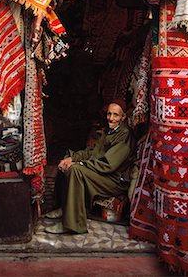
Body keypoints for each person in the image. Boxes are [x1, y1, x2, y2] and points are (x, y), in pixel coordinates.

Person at [44, 100, 135, 234]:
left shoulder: (125, 134)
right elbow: (91, 152)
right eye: (109, 114)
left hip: (114, 180)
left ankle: (73, 224)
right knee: (65, 161)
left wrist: (78, 164)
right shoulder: (108, 131)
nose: (111, 118)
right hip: (102, 173)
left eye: (115, 115)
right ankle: (64, 207)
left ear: (123, 117)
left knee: (75, 170)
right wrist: (72, 158)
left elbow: (108, 164)